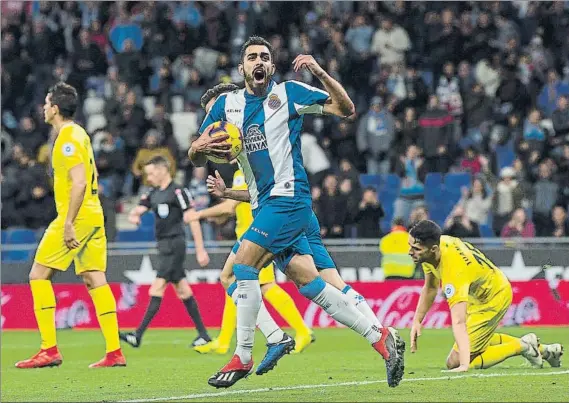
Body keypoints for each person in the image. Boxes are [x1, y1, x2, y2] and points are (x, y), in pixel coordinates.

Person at [189, 36, 404, 388]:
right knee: (311, 283)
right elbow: (196, 155)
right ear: (242, 67)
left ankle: (244, 355)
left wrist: (319, 71)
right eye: (251, 57)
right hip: (265, 208)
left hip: (288, 201)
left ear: (270, 67)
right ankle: (380, 338)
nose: (259, 61)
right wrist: (198, 147)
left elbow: (345, 108)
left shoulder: (289, 93)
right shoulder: (225, 107)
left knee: (241, 269)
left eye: (265, 57)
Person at [191, 83, 315, 356]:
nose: (212, 126)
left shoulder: (255, 154)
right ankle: (228, 340)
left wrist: (200, 214)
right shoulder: (239, 161)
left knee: (261, 285)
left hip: (261, 228)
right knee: (234, 281)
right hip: (250, 230)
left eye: (215, 115)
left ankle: (296, 332)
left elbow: (230, 207)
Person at [15, 82, 126, 369]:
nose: (43, 107)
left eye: (46, 102)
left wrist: (67, 223)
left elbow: (79, 180)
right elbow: (93, 173)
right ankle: (114, 352)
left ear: (54, 108)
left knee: (38, 275)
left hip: (77, 216)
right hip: (92, 211)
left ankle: (48, 349)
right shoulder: (79, 134)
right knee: (93, 277)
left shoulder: (67, 138)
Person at [408, 220, 563, 372]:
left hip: (493, 297)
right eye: (410, 246)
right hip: (481, 293)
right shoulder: (436, 248)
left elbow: (459, 321)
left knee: (454, 362)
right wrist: (417, 321)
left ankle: (523, 346)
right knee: (477, 342)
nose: (410, 252)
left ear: (433, 249)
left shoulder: (453, 269)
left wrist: (464, 364)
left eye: (415, 249)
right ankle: (546, 351)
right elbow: (430, 287)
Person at [119, 156, 212, 348]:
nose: (149, 177)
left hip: (175, 245)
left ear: (163, 171)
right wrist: (133, 216)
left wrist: (200, 250)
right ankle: (204, 335)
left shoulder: (178, 192)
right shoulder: (152, 192)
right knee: (183, 290)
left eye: (152, 173)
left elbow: (192, 219)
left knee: (157, 287)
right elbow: (137, 210)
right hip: (162, 246)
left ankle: (137, 335)